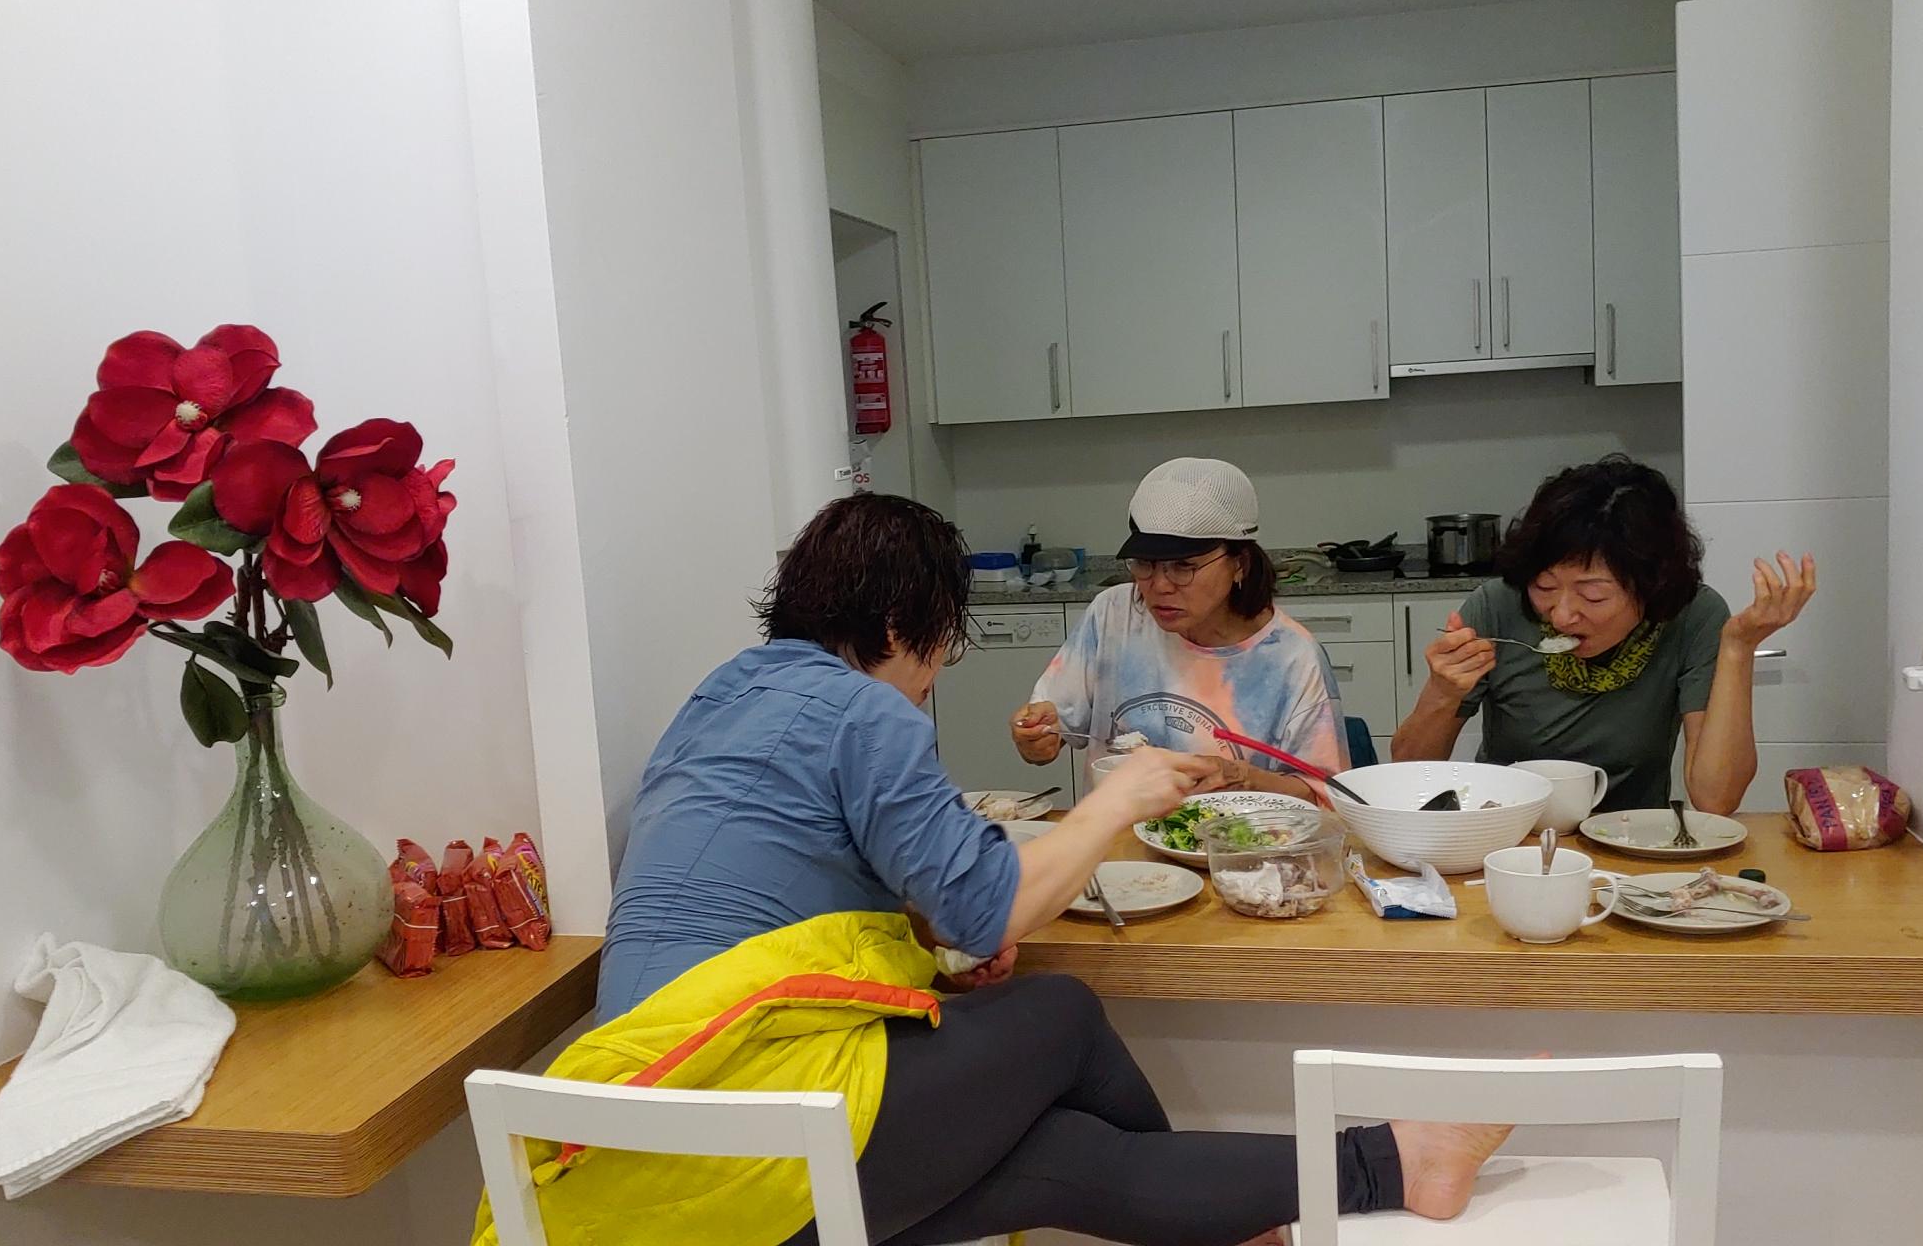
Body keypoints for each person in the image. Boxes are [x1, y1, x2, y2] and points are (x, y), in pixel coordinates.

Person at [569, 494, 1514, 1246]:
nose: (935, 676)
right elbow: (984, 911)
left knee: (1064, 1160)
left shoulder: (722, 693)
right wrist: (1120, 796)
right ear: (900, 623)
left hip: (641, 1146)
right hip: (768, 1114)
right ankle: (1277, 1200)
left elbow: (804, 875)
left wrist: (938, 940)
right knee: (1060, 1012)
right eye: (941, 645)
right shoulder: (866, 710)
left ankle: (1384, 1166)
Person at [1392, 455, 1815, 813]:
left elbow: (1715, 799)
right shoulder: (1498, 606)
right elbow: (1407, 773)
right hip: (1508, 838)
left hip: (1634, 845)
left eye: (1593, 595)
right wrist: (1442, 693)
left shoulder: (1692, 616)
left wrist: (1738, 648)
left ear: (1652, 586)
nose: (1562, 616)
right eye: (1544, 587)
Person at [1012, 457, 1347, 803]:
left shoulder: (1291, 657)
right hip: (1115, 834)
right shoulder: (1114, 614)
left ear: (1240, 564)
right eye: (1145, 564)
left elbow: (1325, 798)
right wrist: (1037, 737)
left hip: (1235, 837)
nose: (1159, 586)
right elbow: (1052, 729)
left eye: (1184, 566)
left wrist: (1244, 778)